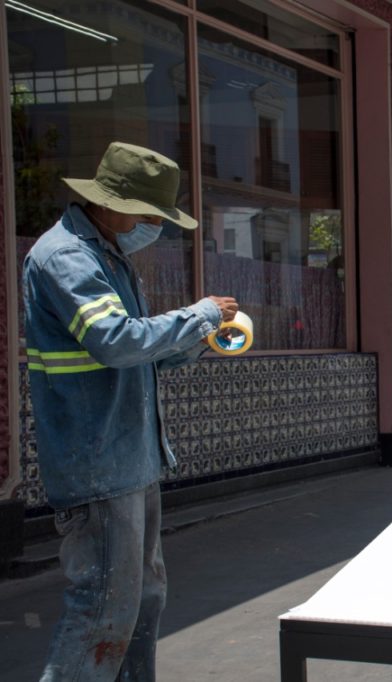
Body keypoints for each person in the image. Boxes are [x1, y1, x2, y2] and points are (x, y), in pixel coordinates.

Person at [23, 142, 238, 681]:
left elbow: (139, 356)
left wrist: (202, 338)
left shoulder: (108, 254)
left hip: (129, 458)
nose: (151, 225)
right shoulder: (67, 257)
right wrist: (198, 314)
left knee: (141, 602)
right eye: (148, 214)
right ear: (112, 202)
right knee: (103, 611)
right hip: (98, 462)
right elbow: (117, 342)